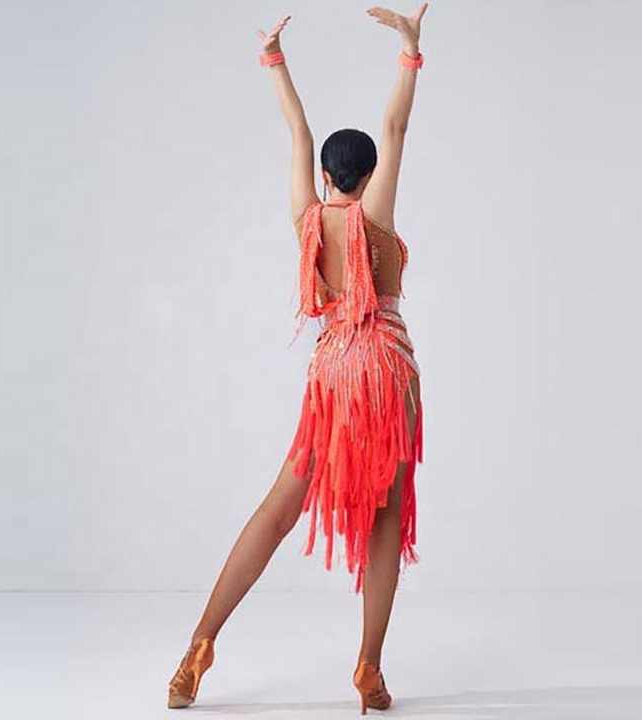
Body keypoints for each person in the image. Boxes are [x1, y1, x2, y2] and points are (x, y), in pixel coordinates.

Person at [168, 4, 429, 714]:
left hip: (331, 371)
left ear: (325, 175)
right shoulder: (375, 218)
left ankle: (198, 647)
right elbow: (396, 129)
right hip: (385, 367)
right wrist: (409, 53)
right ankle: (369, 668)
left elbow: (297, 132)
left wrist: (274, 60)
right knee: (387, 513)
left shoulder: (307, 219)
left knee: (281, 505)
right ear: (369, 177)